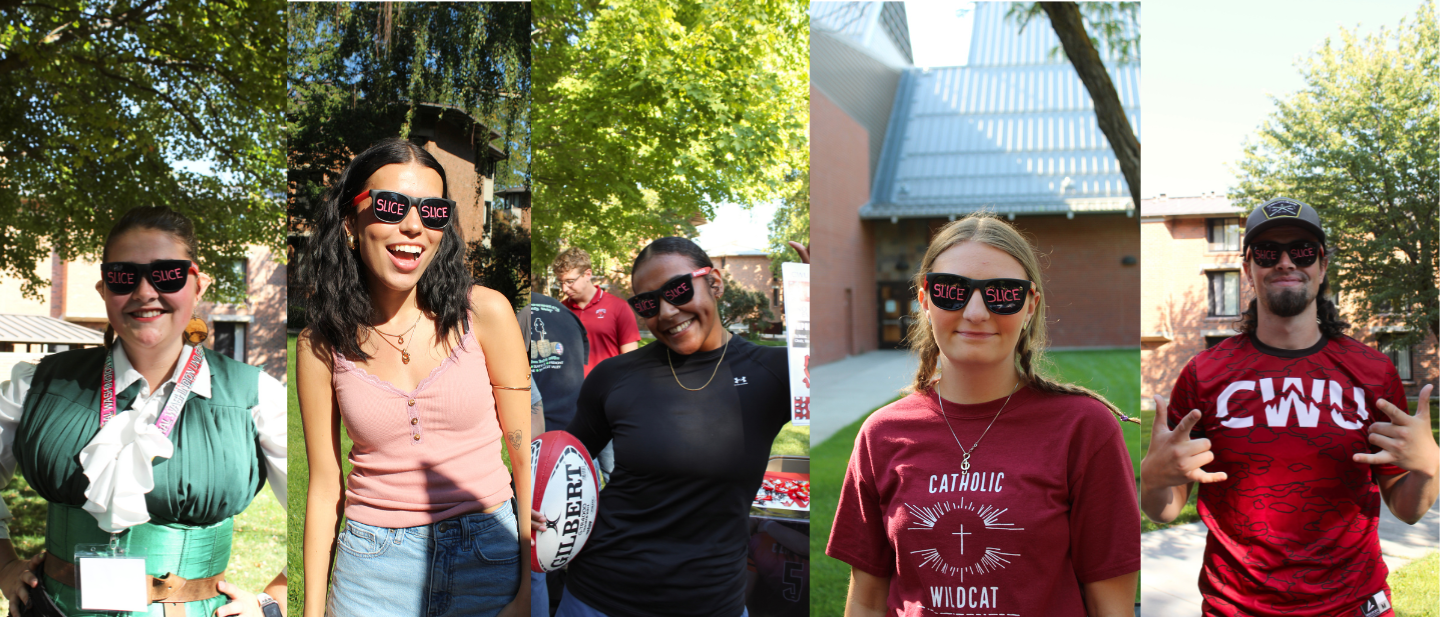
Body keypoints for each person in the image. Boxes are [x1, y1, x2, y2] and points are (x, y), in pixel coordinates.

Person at [827, 213, 1140, 616]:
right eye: (951, 290)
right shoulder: (881, 434)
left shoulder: (1083, 429)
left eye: (1003, 293)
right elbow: (866, 601)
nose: (976, 312)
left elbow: (1110, 605)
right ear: (924, 300)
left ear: (1030, 306)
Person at [1140, 197, 1437, 617]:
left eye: (1301, 250)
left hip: (1353, 605)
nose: (1284, 262)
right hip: (1236, 608)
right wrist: (1152, 482)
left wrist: (1429, 467)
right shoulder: (1204, 373)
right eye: (1266, 252)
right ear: (1248, 269)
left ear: (1321, 266)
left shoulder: (1373, 371)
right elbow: (1166, 509)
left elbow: (1407, 510)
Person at [0, 206, 287, 616]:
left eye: (166, 274)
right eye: (123, 276)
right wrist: (5, 566)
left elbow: (322, 505)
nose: (144, 291)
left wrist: (275, 599)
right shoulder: (40, 383)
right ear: (104, 289)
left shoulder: (254, 394)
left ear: (198, 283)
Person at [297, 139, 531, 617]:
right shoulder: (319, 344)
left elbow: (524, 455)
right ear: (349, 222)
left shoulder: (485, 313)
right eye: (390, 206)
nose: (413, 226)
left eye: (433, 211)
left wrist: (528, 588)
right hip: (371, 570)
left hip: (491, 551)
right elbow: (324, 486)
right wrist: (312, 611)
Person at [545, 237, 791, 617]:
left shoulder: (775, 373)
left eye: (677, 290)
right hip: (598, 598)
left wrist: (812, 306)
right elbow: (561, 462)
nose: (667, 311)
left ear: (716, 282)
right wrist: (535, 501)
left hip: (711, 603)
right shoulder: (615, 376)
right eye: (647, 303)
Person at [552, 248, 640, 376]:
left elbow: (630, 359)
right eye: (561, 283)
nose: (564, 288)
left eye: (570, 282)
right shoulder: (559, 310)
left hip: (608, 389)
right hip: (570, 391)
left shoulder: (619, 307)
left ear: (587, 274)